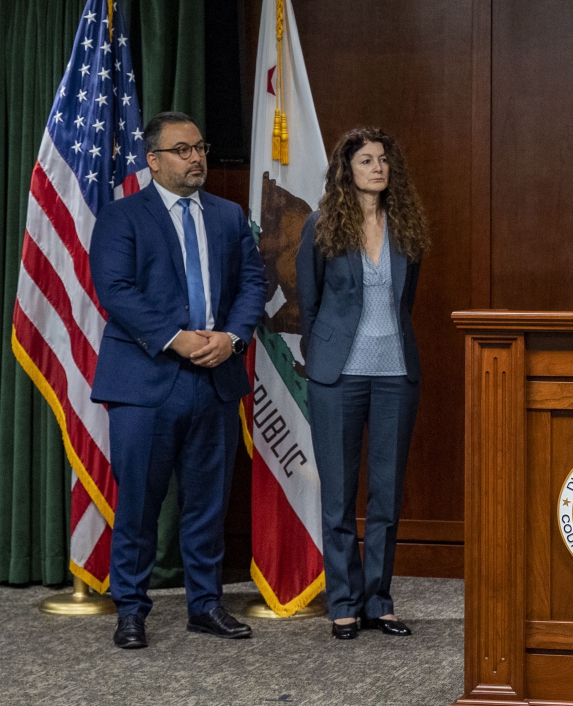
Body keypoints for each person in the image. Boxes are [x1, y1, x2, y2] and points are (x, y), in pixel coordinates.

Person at [90, 111, 269, 649]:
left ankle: (205, 605)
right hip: (144, 383)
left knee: (207, 502)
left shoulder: (228, 215)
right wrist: (178, 337)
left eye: (200, 147)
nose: (197, 158)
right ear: (154, 160)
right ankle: (131, 610)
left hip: (214, 378)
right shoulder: (123, 216)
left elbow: (253, 285)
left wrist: (231, 339)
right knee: (140, 505)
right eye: (183, 150)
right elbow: (116, 290)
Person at [296, 126, 428, 640]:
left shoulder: (406, 227)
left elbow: (405, 301)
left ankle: (379, 600)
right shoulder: (322, 224)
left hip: (396, 372)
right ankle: (344, 603)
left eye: (382, 160)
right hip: (338, 374)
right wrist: (324, 354)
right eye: (366, 160)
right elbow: (309, 305)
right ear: (346, 170)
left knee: (386, 498)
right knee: (339, 495)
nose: (377, 168)